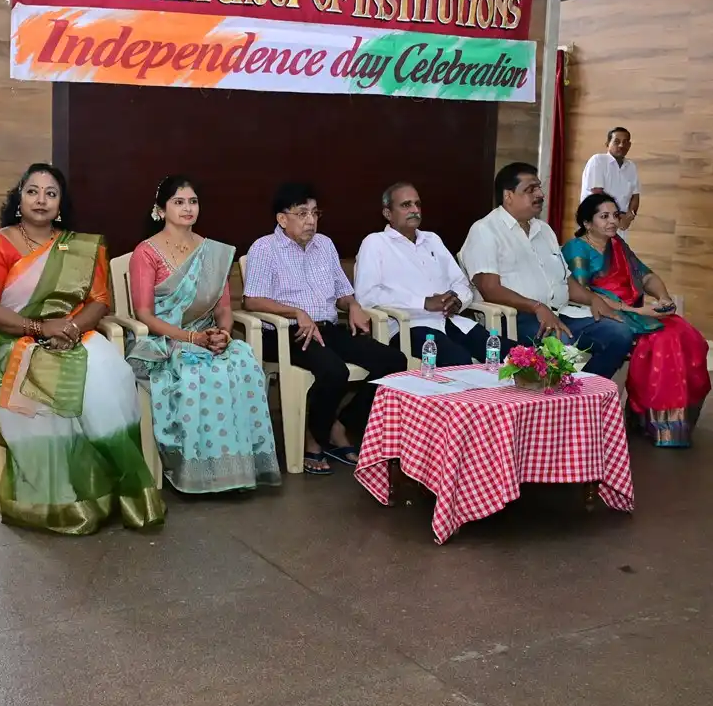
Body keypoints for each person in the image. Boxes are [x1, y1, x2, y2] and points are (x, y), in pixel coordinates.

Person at [0, 163, 165, 535]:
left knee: (109, 376)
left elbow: (99, 300)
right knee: (48, 391)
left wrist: (71, 327)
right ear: (19, 199)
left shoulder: (79, 247)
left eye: (51, 193)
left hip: (75, 334)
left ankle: (117, 492)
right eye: (33, 191)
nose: (41, 199)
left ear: (60, 205)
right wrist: (40, 327)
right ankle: (64, 501)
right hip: (17, 341)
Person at [127, 176, 280, 493]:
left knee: (242, 363)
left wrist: (223, 334)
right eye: (178, 202)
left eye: (192, 201)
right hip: (163, 340)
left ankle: (235, 470)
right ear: (161, 209)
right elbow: (143, 314)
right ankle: (197, 472)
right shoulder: (147, 252)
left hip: (205, 336)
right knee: (194, 372)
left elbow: (224, 308)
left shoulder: (213, 252)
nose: (187, 208)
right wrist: (190, 339)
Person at [243, 183, 406, 475]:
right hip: (285, 333)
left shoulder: (325, 245)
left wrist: (354, 305)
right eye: (302, 213)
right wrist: (295, 311)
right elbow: (251, 298)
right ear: (282, 219)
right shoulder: (264, 248)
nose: (311, 220)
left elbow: (343, 293)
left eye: (315, 213)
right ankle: (313, 440)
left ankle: (340, 424)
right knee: (334, 371)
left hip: (327, 328)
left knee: (394, 361)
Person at [564, 194, 711, 447]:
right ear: (588, 223)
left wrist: (662, 298)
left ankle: (662, 421)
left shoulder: (617, 245)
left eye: (615, 215)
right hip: (601, 312)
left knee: (685, 334)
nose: (612, 222)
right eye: (604, 216)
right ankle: (654, 419)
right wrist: (639, 312)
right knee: (663, 341)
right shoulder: (577, 249)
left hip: (634, 311)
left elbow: (645, 275)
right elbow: (586, 294)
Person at [462, 163, 634, 378]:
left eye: (539, 188)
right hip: (516, 317)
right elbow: (490, 289)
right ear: (508, 195)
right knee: (561, 344)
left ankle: (580, 394)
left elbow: (565, 279)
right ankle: (566, 397)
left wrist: (593, 299)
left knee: (619, 333)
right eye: (530, 189)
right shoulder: (485, 230)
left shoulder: (543, 229)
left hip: (560, 312)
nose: (540, 194)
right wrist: (536, 307)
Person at [354, 182, 516, 365]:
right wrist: (423, 303)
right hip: (409, 327)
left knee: (511, 354)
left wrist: (457, 300)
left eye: (418, 204)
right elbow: (367, 296)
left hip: (451, 321)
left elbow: (461, 282)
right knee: (458, 361)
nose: (415, 209)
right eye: (406, 205)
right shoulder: (375, 243)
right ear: (388, 213)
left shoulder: (432, 240)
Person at [580, 128, 640, 233]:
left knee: (619, 249)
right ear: (607, 144)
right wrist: (618, 216)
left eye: (625, 142)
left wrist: (630, 216)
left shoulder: (631, 166)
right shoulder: (598, 160)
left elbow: (635, 196)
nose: (621, 145)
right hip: (597, 223)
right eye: (617, 141)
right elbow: (597, 193)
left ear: (629, 145)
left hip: (620, 225)